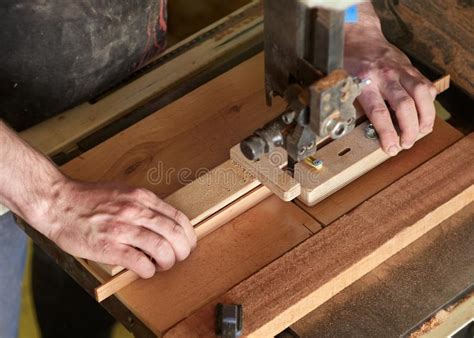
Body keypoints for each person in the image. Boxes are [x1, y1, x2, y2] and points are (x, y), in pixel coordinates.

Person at [0, 1, 437, 337]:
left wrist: (349, 22)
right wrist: (48, 199)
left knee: (111, 250)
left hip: (122, 74)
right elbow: (47, 203)